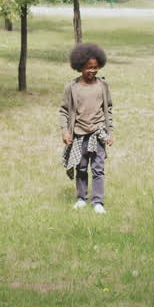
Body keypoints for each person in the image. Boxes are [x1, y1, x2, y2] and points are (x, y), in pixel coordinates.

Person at [59, 43, 113, 214]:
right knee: (81, 168)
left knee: (98, 169)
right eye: (89, 67)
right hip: (79, 135)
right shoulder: (72, 87)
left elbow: (108, 109)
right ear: (80, 66)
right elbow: (64, 111)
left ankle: (97, 202)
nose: (92, 71)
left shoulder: (103, 86)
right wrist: (65, 131)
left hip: (98, 134)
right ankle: (81, 199)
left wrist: (110, 132)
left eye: (95, 67)